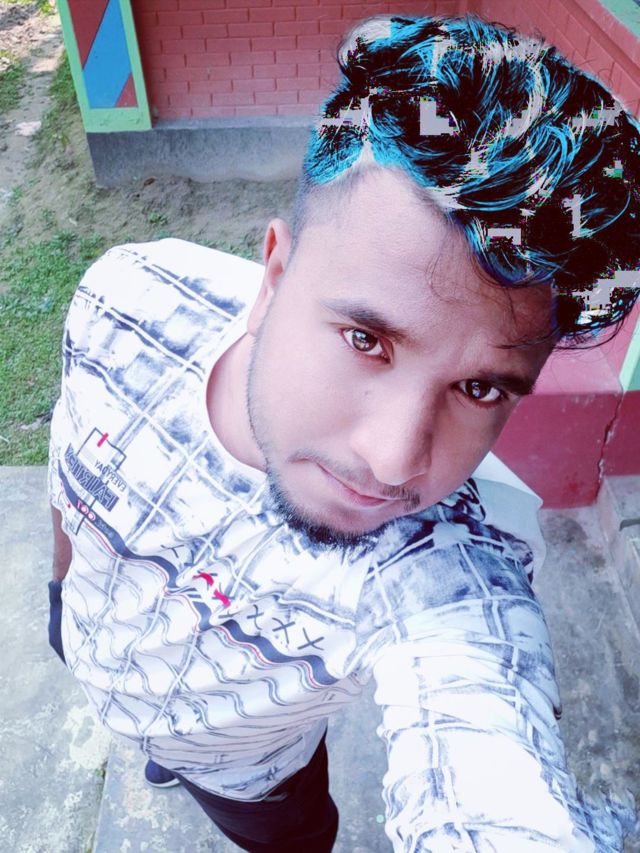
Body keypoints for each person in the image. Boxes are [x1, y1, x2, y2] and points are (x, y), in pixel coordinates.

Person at [47, 13, 639, 852]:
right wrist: (60, 596)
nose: (394, 462)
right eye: (367, 339)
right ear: (274, 275)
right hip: (88, 647)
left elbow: (482, 739)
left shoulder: (440, 568)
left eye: (478, 388)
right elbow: (67, 484)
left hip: (256, 776)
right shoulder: (123, 303)